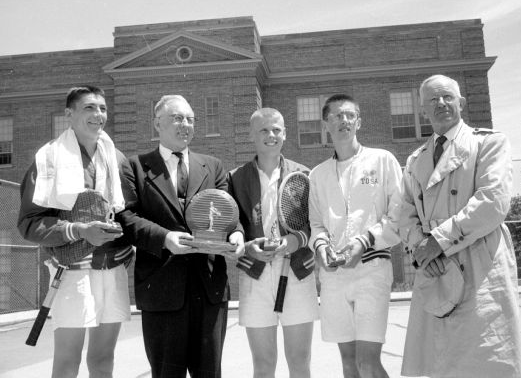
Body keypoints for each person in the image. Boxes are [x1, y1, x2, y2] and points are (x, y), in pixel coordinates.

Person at [400, 75, 521, 377]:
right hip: (434, 268)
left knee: (486, 359)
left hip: (480, 260)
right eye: (433, 99)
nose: (441, 103)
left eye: (447, 97)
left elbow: (493, 202)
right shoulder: (415, 160)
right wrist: (420, 248)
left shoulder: (489, 143)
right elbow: (403, 212)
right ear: (422, 110)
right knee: (442, 363)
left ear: (461, 103)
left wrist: (437, 242)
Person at [118, 94, 243, 378]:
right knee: (166, 374)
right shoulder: (135, 167)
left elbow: (229, 215)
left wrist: (236, 235)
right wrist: (164, 239)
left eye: (190, 119)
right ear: (156, 124)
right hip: (161, 290)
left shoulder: (213, 166)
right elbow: (125, 217)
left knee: (209, 373)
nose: (185, 125)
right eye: (177, 118)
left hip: (209, 288)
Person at [17, 85, 133, 378]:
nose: (98, 115)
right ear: (69, 115)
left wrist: (129, 242)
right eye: (89, 108)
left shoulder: (116, 157)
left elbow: (129, 213)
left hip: (111, 269)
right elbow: (29, 223)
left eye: (103, 108)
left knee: (104, 357)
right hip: (72, 273)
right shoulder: (49, 159)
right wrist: (78, 230)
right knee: (68, 361)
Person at [308, 94, 403, 378]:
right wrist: (322, 246)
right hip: (334, 276)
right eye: (336, 116)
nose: (343, 120)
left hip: (372, 270)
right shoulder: (318, 174)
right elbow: (315, 223)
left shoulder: (383, 160)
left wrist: (365, 241)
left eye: (349, 115)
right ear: (326, 123)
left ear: (359, 121)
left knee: (367, 363)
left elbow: (398, 216)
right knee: (349, 364)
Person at [227, 107, 319, 378]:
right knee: (263, 364)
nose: (271, 135)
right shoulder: (235, 178)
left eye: (277, 129)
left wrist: (294, 240)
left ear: (285, 134)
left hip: (297, 271)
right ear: (251, 135)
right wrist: (246, 245)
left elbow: (315, 223)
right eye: (264, 130)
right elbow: (233, 223)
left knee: (299, 363)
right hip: (255, 274)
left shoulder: (303, 174)